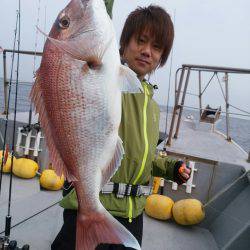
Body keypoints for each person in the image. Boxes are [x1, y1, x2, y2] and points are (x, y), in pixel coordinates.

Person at [51, 3, 191, 250]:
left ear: (162, 57)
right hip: (94, 202)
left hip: (132, 214)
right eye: (140, 41)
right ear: (123, 44)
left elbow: (141, 155)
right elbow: (96, 16)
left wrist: (171, 168)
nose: (147, 51)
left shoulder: (152, 105)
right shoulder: (109, 76)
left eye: (156, 47)